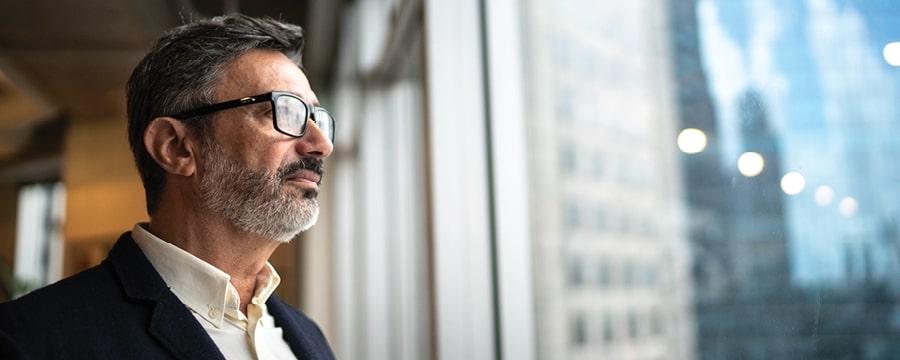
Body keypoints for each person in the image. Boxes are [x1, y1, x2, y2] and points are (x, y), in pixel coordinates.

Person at [0, 14, 336, 359]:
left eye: (316, 117)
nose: (321, 144)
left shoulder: (310, 338)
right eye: (284, 112)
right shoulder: (30, 340)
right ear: (175, 147)